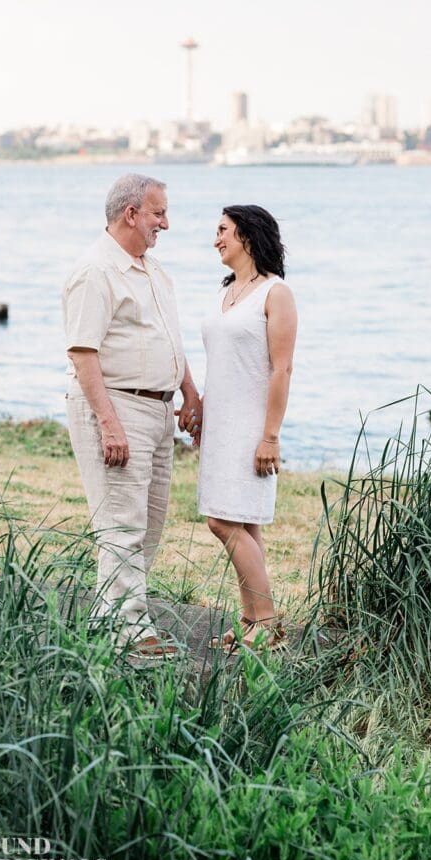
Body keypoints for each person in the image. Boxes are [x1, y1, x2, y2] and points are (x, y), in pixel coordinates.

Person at [62, 173, 202, 662]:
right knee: (122, 523)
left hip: (159, 410)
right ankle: (132, 632)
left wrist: (190, 394)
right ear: (131, 214)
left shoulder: (154, 271)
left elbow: (171, 341)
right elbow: (83, 354)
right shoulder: (95, 271)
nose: (166, 222)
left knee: (150, 522)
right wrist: (109, 422)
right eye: (159, 213)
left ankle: (108, 622)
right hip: (118, 406)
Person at [196, 204, 297, 653]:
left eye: (222, 230)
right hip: (220, 423)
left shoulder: (276, 293)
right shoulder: (226, 291)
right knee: (244, 525)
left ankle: (269, 623)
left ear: (248, 237)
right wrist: (198, 406)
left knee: (222, 521)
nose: (215, 238)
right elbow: (222, 362)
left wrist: (270, 436)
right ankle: (250, 619)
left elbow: (282, 370)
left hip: (251, 426)